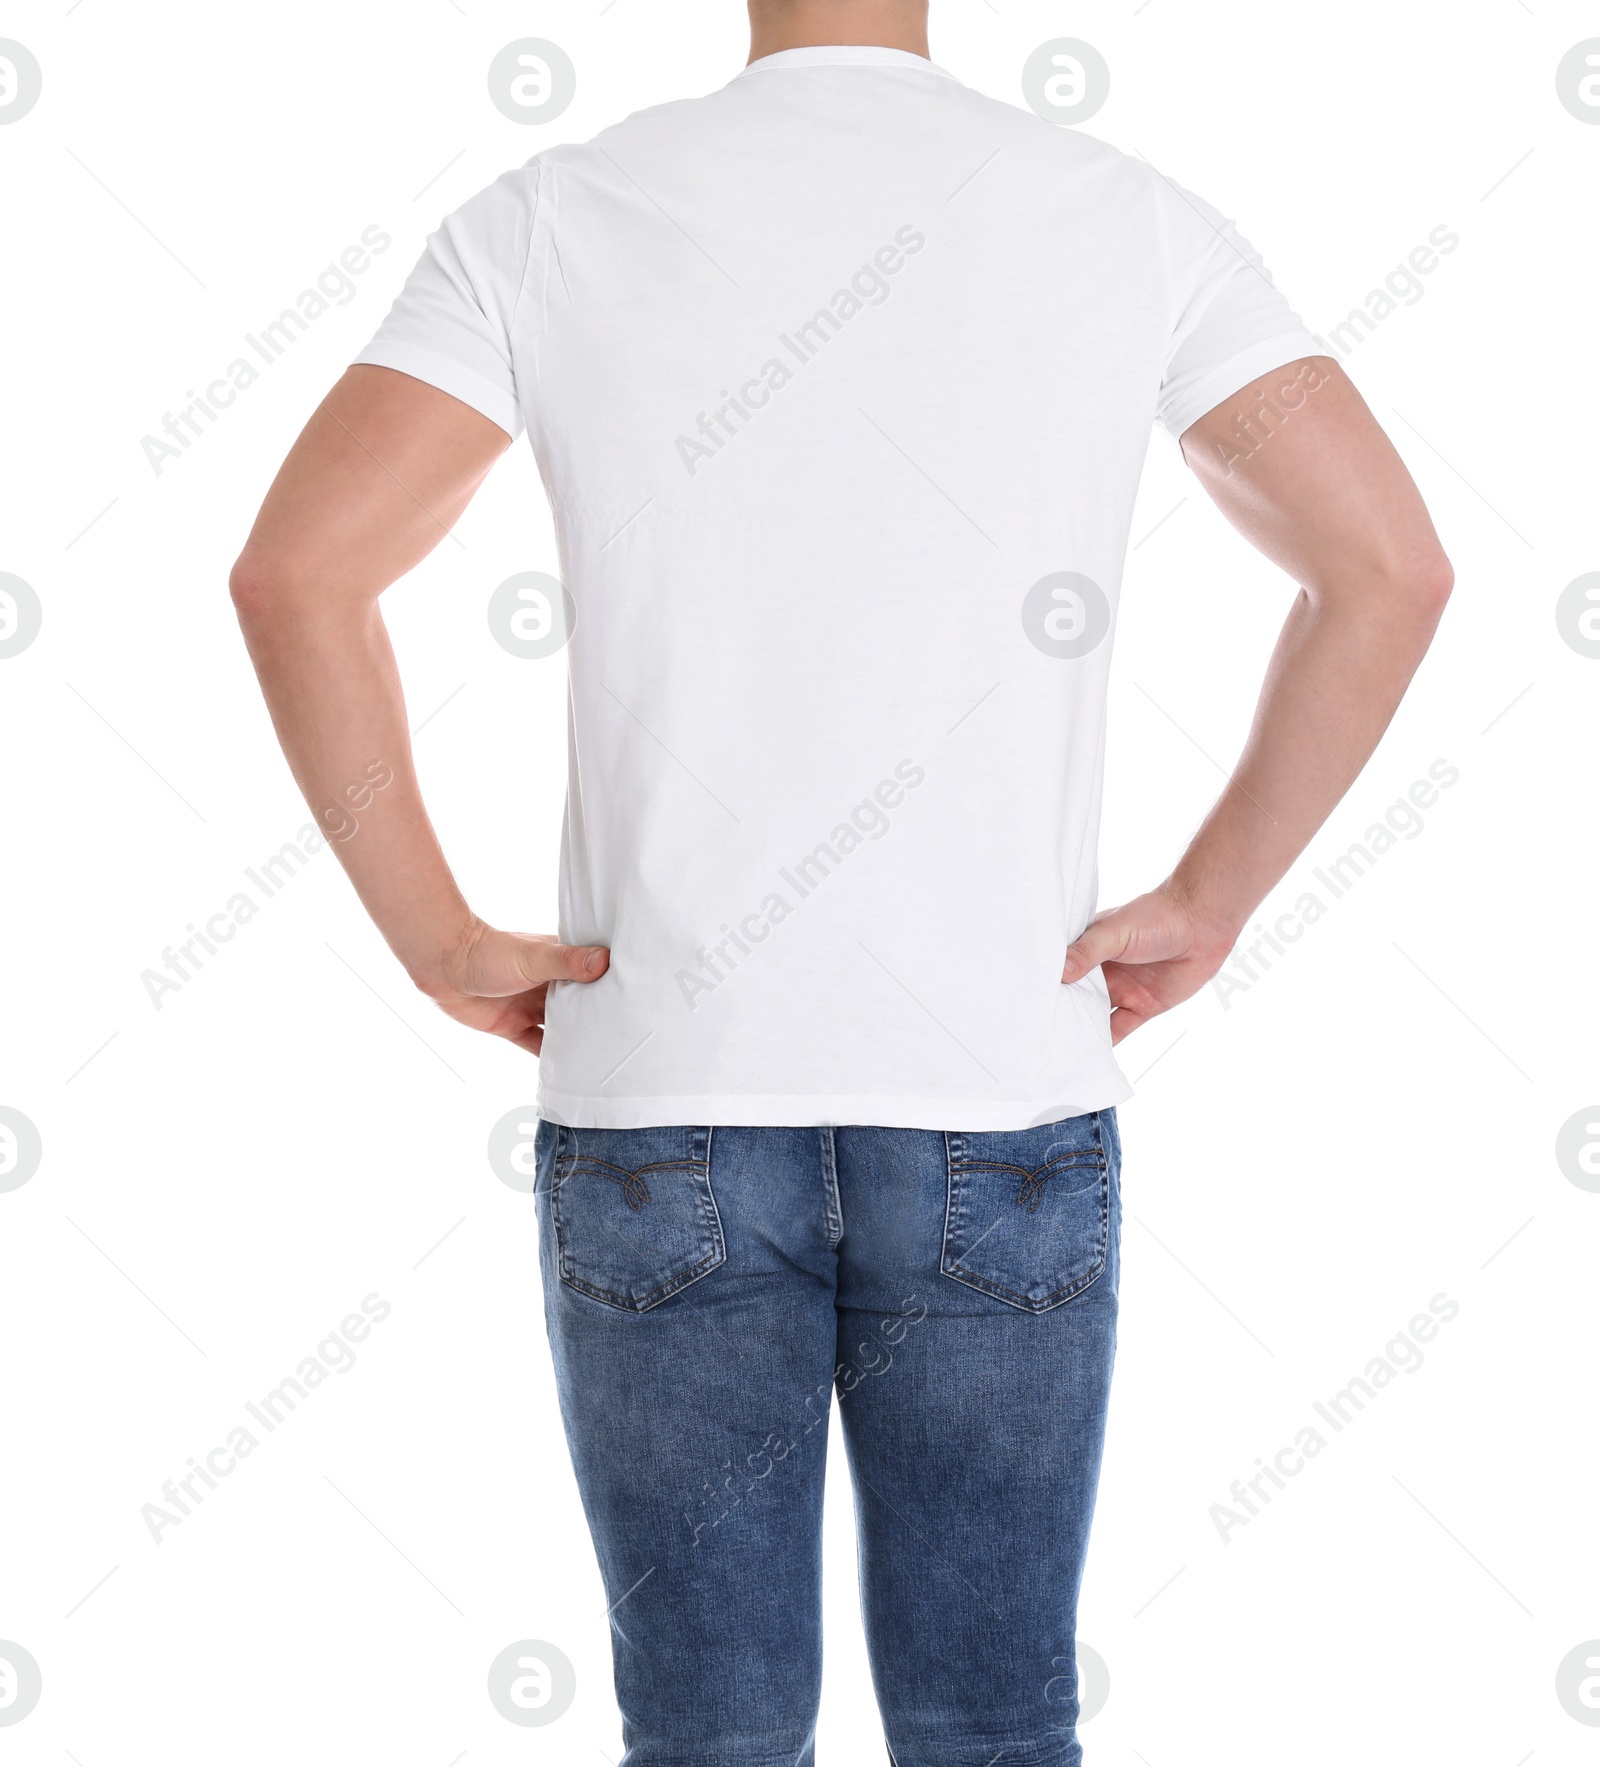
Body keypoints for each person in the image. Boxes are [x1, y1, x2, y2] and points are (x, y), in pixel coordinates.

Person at [229, 2, 1452, 1760]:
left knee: (710, 1737)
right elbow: (1390, 571)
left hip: (664, 1097)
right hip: (1000, 1092)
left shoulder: (558, 211)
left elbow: (296, 576)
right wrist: (1215, 891)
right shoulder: (1124, 212)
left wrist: (432, 933)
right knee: (992, 1723)